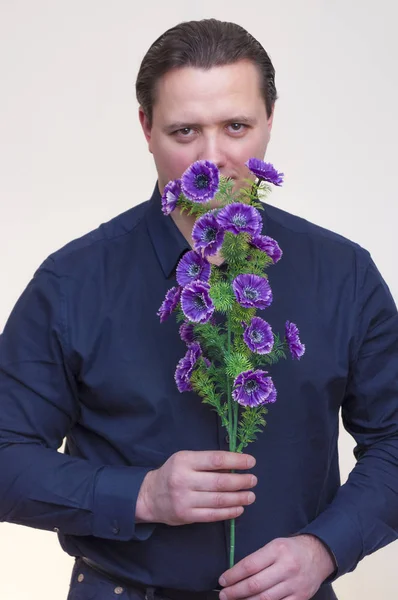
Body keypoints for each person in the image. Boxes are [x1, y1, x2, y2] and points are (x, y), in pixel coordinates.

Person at [0, 18, 397, 600]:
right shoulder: (71, 283)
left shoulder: (344, 274)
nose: (213, 159)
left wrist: (326, 547)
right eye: (185, 131)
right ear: (146, 128)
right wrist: (140, 495)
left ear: (269, 122)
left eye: (237, 126)